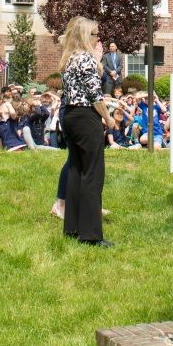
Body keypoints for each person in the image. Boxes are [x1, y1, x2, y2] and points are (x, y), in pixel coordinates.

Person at [60, 16, 113, 246]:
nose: (98, 38)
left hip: (70, 116)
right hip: (86, 117)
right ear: (85, 36)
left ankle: (72, 227)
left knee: (75, 170)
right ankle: (91, 234)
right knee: (92, 173)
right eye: (95, 35)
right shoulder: (87, 61)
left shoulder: (70, 59)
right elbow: (95, 96)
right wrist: (108, 118)